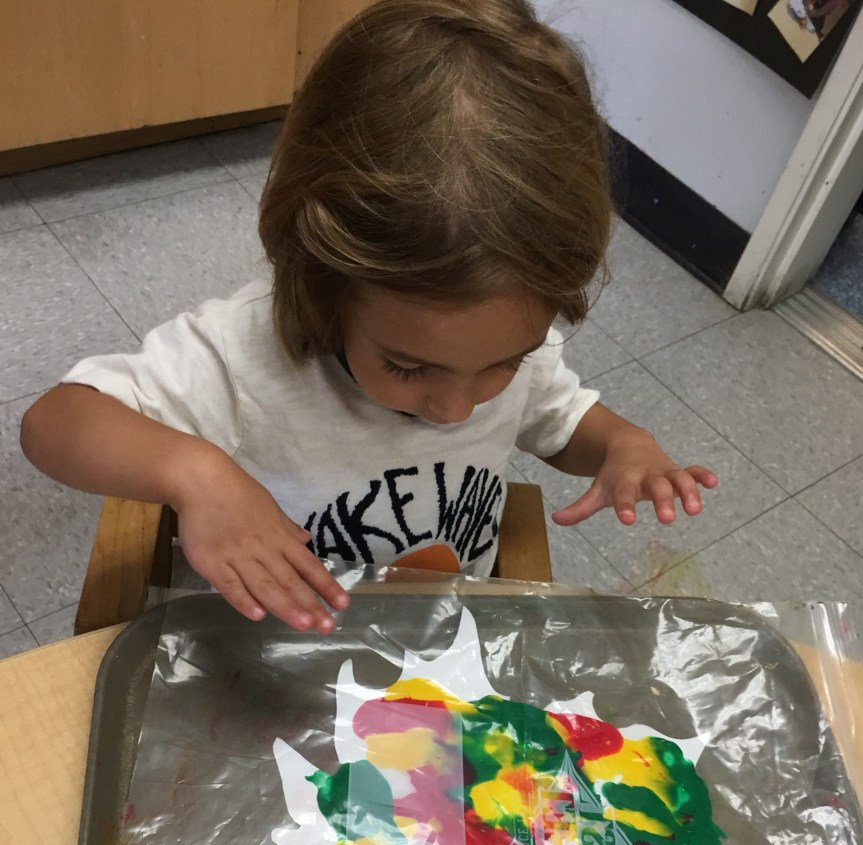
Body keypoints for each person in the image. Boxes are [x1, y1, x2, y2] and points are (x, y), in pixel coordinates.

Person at [21, 0, 717, 637]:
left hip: (434, 652)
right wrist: (194, 475)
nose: (455, 409)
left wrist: (621, 444)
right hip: (264, 653)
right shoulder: (239, 355)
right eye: (409, 367)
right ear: (322, 279)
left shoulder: (501, 343)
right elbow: (54, 423)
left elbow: (560, 421)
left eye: (506, 363)